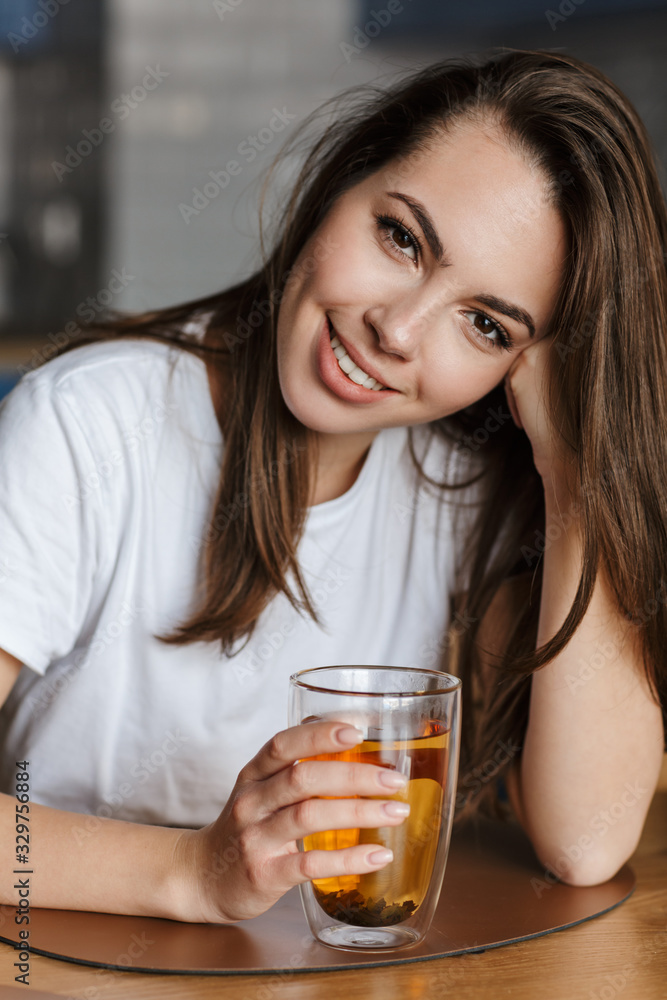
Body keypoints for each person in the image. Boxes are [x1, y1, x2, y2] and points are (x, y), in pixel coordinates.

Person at [0, 49, 665, 926]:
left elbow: (587, 843)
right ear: (336, 186)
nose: (397, 329)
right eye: (401, 237)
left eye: (484, 323)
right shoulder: (88, 424)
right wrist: (195, 872)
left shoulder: (467, 497)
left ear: (522, 367)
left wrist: (576, 466)